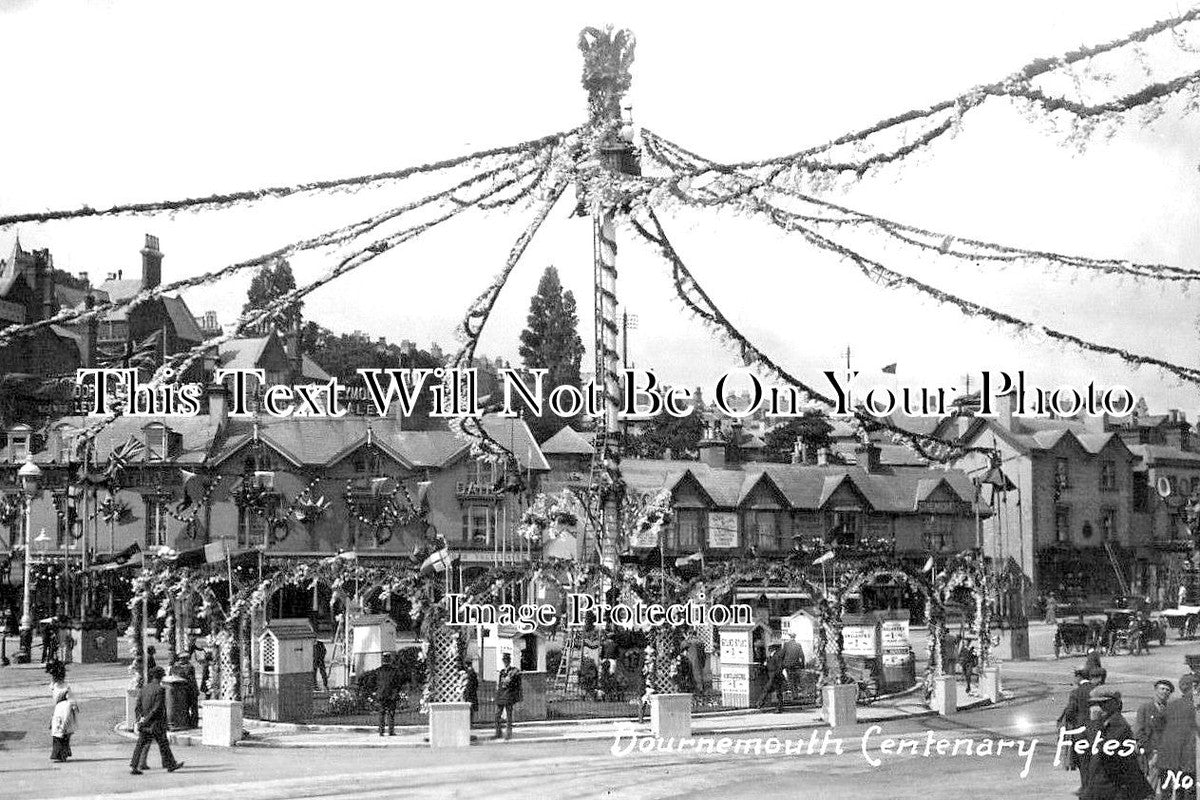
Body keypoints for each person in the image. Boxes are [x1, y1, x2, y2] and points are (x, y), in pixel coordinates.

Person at [1081, 687, 1153, 800]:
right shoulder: (1104, 723)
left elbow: (1101, 748)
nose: (1099, 707)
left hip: (1113, 787)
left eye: (1104, 703)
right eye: (1096, 704)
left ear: (1115, 703)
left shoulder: (1118, 725)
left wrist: (1094, 723)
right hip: (1100, 784)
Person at [130, 666, 183, 775]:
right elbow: (157, 708)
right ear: (161, 677)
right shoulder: (160, 689)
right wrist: (148, 720)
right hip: (156, 723)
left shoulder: (144, 688)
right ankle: (170, 764)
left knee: (140, 744)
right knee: (163, 744)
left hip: (145, 722)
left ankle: (134, 765)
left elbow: (138, 706)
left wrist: (140, 719)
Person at [1157, 674, 1200, 799]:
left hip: (1168, 759)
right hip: (1188, 760)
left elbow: (1159, 727)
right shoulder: (1195, 707)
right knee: (1189, 793)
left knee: (1173, 792)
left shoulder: (1170, 706)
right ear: (1195, 687)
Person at [1059, 668, 1096, 791]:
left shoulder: (1076, 693)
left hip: (1081, 735)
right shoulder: (1096, 689)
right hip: (1097, 733)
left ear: (1079, 677)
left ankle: (1086, 791)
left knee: (1084, 766)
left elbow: (1070, 713)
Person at [1134, 679, 1173, 791]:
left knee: (1167, 786)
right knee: (1151, 784)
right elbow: (1139, 731)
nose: (1165, 692)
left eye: (1168, 690)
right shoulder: (1145, 708)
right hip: (1151, 753)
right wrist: (1149, 750)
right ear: (1155, 690)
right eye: (1162, 689)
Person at [48, 661, 79, 762]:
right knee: (64, 732)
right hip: (63, 709)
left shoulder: (57, 687)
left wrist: (73, 705)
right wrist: (74, 706)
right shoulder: (63, 686)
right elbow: (71, 698)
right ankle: (62, 752)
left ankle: (60, 753)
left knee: (59, 731)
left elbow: (70, 698)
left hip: (62, 709)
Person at [494, 652, 522, 740]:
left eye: (507, 660)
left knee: (509, 716)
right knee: (497, 715)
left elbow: (516, 683)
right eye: (504, 660)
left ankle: (508, 734)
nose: (505, 662)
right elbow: (499, 685)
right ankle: (498, 732)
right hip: (501, 696)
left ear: (509, 661)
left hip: (509, 696)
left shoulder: (514, 671)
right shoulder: (502, 672)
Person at [375, 653, 401, 736]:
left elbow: (374, 682)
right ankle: (391, 731)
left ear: (383, 660)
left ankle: (381, 731)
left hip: (381, 694)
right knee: (391, 713)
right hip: (391, 695)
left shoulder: (378, 670)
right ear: (390, 659)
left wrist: (377, 691)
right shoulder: (394, 671)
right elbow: (398, 684)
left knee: (381, 713)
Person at [757, 645, 786, 713]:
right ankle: (760, 704)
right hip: (772, 676)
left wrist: (775, 675)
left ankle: (760, 704)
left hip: (775, 677)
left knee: (772, 691)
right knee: (776, 692)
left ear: (772, 649)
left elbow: (780, 666)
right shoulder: (771, 656)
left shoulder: (776, 656)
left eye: (769, 649)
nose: (768, 651)